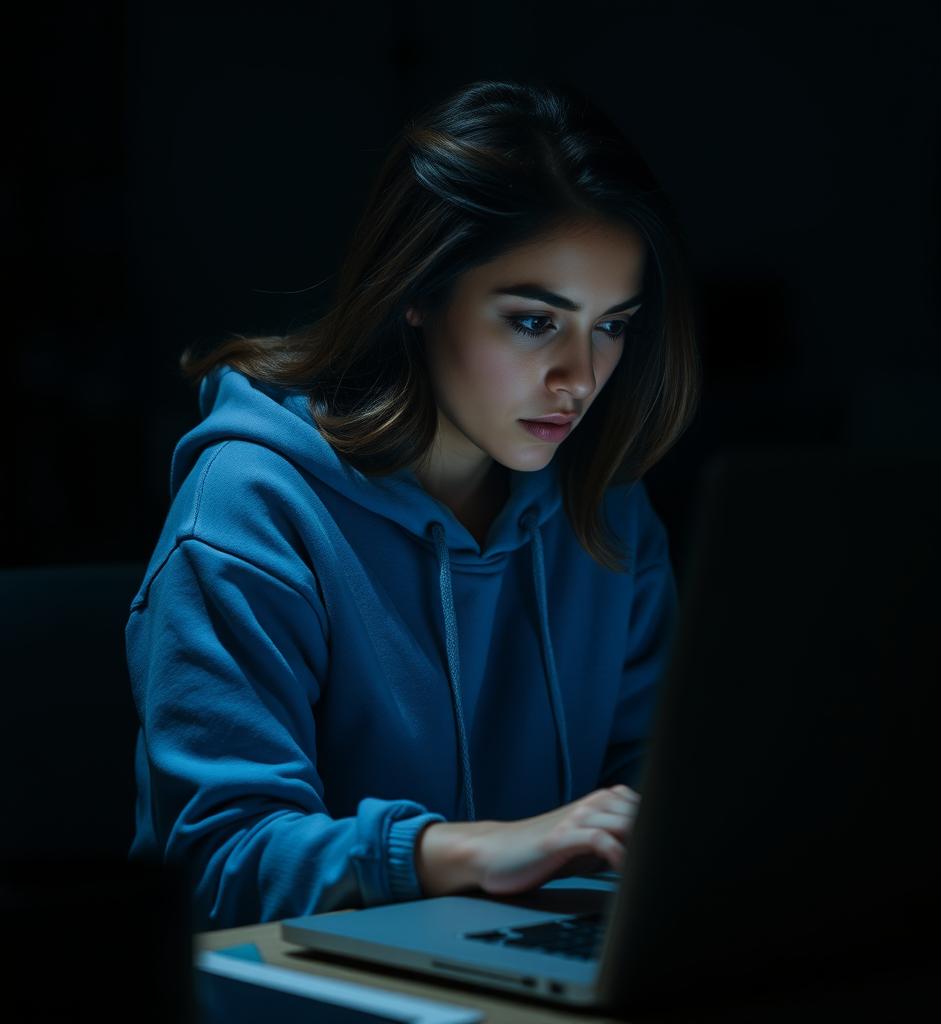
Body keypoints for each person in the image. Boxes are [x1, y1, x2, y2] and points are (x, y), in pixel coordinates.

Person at [126, 77, 702, 931]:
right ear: (419, 293)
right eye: (535, 322)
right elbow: (215, 862)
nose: (581, 378)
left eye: (612, 325)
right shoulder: (252, 506)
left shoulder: (605, 504)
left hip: (528, 967)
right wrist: (468, 852)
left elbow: (664, 794)